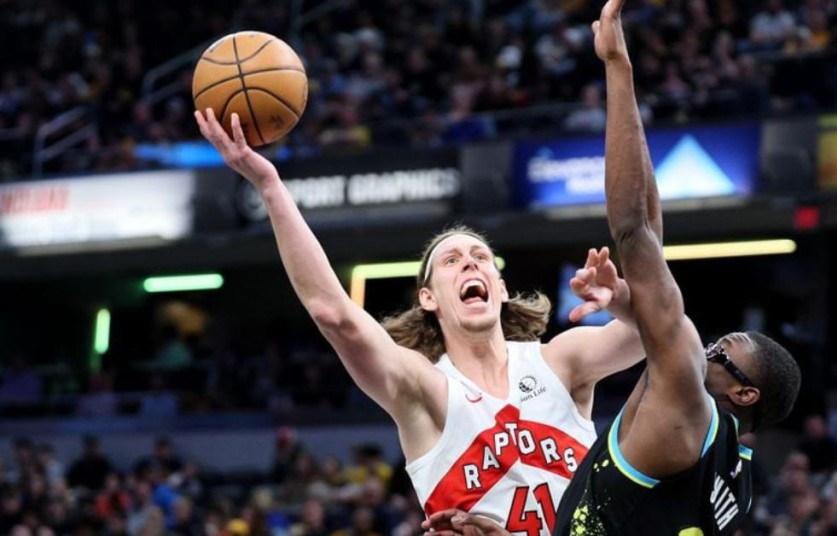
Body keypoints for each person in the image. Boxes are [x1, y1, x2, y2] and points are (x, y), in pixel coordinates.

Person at [425, 0, 802, 534]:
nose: (705, 347)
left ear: (743, 394)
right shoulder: (733, 477)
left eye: (722, 352)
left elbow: (634, 228)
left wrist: (617, 68)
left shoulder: (686, 400)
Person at [194, 109, 645, 533]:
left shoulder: (559, 360)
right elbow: (333, 313)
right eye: (451, 260)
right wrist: (270, 185)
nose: (469, 263)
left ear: (502, 288)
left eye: (481, 257)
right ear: (428, 298)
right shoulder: (425, 388)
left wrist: (625, 302)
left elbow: (659, 333)